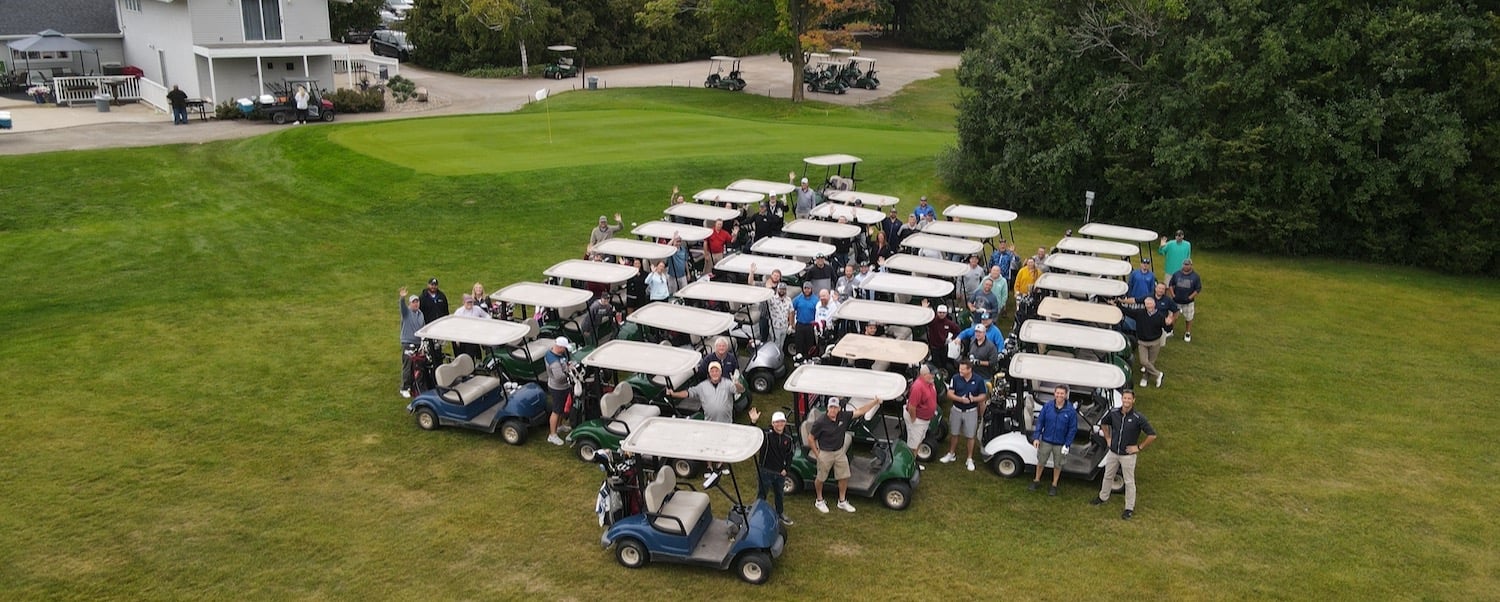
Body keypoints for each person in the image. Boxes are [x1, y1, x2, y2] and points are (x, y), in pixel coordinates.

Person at [809, 396, 884, 513]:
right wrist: (817, 454)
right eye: (831, 407)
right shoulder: (820, 422)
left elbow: (860, 411)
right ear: (828, 408)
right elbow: (811, 438)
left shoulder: (843, 416)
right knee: (821, 478)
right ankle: (819, 500)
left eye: (835, 407)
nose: (833, 410)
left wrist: (874, 402)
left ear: (839, 408)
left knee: (844, 476)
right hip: (825, 453)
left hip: (839, 452)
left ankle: (842, 501)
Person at [1090, 390, 1157, 520]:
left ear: (1133, 400)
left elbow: (1152, 435)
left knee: (1129, 481)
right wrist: (1108, 438)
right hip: (1113, 452)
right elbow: (1104, 423)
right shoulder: (1114, 413)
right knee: (1108, 476)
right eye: (1124, 398)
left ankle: (1129, 508)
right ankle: (1103, 497)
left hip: (1128, 456)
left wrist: (1139, 447)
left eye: (1129, 399)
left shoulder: (1138, 417)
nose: (1126, 401)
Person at [666, 362, 744, 473]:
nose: (715, 373)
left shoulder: (728, 383)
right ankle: (709, 467)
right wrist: (674, 394)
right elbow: (689, 393)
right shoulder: (702, 386)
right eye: (712, 371)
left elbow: (740, 390)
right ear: (709, 373)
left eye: (717, 371)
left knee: (723, 443)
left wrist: (736, 383)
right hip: (709, 422)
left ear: (720, 372)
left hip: (726, 422)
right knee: (709, 445)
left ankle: (720, 465)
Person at [747, 408, 796, 526]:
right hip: (765, 471)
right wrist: (753, 422)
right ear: (773, 423)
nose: (780, 424)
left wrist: (786, 469)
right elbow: (753, 434)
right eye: (777, 422)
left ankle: (780, 513)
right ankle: (758, 516)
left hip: (780, 473)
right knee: (762, 495)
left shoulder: (788, 438)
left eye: (782, 422)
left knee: (779, 494)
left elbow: (789, 455)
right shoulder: (766, 435)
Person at [1113, 296, 1173, 388]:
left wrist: (1169, 324)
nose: (1148, 306)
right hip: (1142, 342)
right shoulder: (1140, 313)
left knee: (1151, 362)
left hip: (1155, 342)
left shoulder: (1160, 316)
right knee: (1144, 361)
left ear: (1154, 304)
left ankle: (1145, 377)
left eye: (1150, 304)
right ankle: (1158, 374)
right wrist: (1117, 304)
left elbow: (1167, 329)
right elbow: (1127, 311)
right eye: (1146, 304)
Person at [939, 360, 988, 471]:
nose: (960, 371)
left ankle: (969, 458)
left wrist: (973, 399)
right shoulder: (955, 378)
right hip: (956, 410)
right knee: (954, 433)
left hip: (971, 411)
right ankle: (951, 454)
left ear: (969, 369)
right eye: (960, 369)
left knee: (970, 436)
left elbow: (983, 396)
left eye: (962, 369)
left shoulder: (979, 380)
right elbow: (949, 394)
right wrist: (960, 399)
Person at [1030, 385, 1078, 496]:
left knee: (1058, 464)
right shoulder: (1047, 406)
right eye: (1058, 393)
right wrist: (1037, 437)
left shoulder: (1070, 411)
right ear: (1054, 393)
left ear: (1066, 395)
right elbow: (1040, 422)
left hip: (1060, 443)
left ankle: (1054, 485)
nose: (1059, 395)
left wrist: (1067, 444)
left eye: (1062, 393)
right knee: (1041, 461)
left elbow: (1072, 429)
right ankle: (1036, 480)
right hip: (1046, 440)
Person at [544, 337, 575, 445]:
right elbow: (559, 377)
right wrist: (569, 371)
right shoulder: (553, 361)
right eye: (564, 348)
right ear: (559, 347)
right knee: (556, 411)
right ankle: (552, 435)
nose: (565, 350)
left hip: (563, 386)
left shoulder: (559, 354)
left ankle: (560, 426)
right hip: (557, 388)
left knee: (561, 408)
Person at [397, 288, 425, 398]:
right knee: (407, 365)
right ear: (410, 304)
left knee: (417, 365)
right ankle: (404, 387)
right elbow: (402, 306)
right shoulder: (406, 312)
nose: (416, 304)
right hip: (408, 342)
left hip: (418, 343)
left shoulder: (421, 314)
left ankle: (414, 386)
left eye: (417, 302)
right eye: (413, 302)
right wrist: (402, 297)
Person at [905, 365, 938, 453]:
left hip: (925, 420)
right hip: (918, 420)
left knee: (919, 441)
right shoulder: (917, 387)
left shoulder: (930, 383)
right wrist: (914, 420)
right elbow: (912, 406)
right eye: (931, 374)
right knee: (913, 446)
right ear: (924, 374)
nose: (934, 376)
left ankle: (914, 464)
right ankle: (911, 465)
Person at [1168, 258, 1202, 342]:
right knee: (1173, 317)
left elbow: (1198, 289)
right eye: (1184, 264)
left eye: (1188, 264)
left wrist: (1190, 297)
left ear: (1191, 265)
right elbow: (1171, 285)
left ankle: (1188, 333)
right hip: (1176, 300)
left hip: (1188, 302)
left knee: (1189, 318)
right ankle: (1170, 330)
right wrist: (1173, 295)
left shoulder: (1195, 276)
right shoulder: (1176, 274)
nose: (1186, 266)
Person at [922, 302, 961, 370]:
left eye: (943, 312)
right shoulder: (932, 321)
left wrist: (951, 339)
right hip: (934, 348)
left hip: (944, 347)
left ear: (946, 313)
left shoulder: (949, 323)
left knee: (944, 364)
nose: (942, 314)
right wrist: (925, 309)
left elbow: (957, 331)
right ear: (937, 312)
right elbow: (925, 319)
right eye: (940, 312)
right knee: (936, 365)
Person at [452, 293, 492, 358]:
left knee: (476, 351)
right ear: (464, 302)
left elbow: (487, 316)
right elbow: (454, 325)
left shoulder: (477, 309)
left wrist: (486, 324)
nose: (470, 304)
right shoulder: (459, 312)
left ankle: (478, 361)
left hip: (475, 334)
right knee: (467, 354)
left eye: (471, 302)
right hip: (464, 336)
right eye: (468, 302)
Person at [791, 282, 819, 357]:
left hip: (810, 325)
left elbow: (818, 312)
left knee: (809, 344)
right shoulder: (798, 299)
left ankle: (808, 359)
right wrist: (792, 322)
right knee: (799, 343)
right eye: (805, 288)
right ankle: (799, 358)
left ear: (811, 289)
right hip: (800, 324)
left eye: (808, 288)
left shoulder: (816, 300)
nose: (806, 290)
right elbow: (791, 309)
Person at [768, 282, 792, 346]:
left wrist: (790, 325)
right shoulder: (772, 298)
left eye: (783, 289)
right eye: (780, 289)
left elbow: (791, 312)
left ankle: (781, 356)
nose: (782, 291)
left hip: (784, 326)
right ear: (777, 289)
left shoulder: (788, 299)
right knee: (775, 344)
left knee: (781, 345)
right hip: (775, 327)